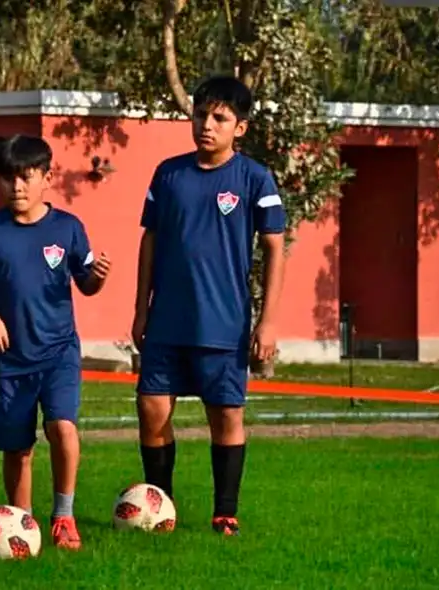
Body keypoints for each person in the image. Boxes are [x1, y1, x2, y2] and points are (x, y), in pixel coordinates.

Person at [131, 75, 286, 537]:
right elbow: (150, 241)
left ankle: (225, 511)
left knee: (225, 416)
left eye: (220, 118)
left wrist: (269, 321)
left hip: (224, 324)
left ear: (240, 127)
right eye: (201, 115)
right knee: (151, 410)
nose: (207, 125)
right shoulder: (168, 174)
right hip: (166, 323)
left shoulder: (255, 178)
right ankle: (160, 507)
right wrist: (141, 309)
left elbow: (276, 249)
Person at [0, 134, 111, 551]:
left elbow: (87, 284)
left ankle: (63, 516)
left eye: (25, 178)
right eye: (8, 179)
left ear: (47, 177)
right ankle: (22, 524)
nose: (16, 188)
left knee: (63, 427)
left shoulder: (68, 228)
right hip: (10, 359)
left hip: (58, 352)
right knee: (18, 448)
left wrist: (97, 277)